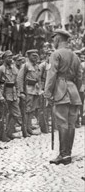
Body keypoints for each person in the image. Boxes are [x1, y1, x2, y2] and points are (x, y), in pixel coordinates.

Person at [45, 29, 81, 165]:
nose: (53, 42)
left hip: (61, 91)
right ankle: (68, 154)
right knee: (71, 124)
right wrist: (74, 88)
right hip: (74, 92)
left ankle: (63, 154)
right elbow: (79, 77)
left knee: (62, 123)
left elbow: (52, 75)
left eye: (54, 39)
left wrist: (47, 93)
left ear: (58, 39)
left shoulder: (56, 54)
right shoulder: (75, 56)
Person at [0, 51, 25, 140]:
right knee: (3, 115)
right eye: (8, 57)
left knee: (17, 114)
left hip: (13, 94)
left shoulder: (14, 69)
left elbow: (17, 83)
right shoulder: (0, 69)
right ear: (4, 59)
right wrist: (0, 96)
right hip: (4, 93)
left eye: (11, 57)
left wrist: (18, 94)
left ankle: (9, 132)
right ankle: (3, 136)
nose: (10, 59)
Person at [17, 49, 41, 136]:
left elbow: (39, 79)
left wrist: (40, 89)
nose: (35, 57)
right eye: (33, 56)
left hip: (35, 91)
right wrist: (21, 92)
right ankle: (24, 130)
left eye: (36, 56)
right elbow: (20, 79)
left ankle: (29, 128)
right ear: (28, 56)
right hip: (27, 90)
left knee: (32, 110)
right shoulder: (25, 65)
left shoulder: (37, 66)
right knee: (26, 111)